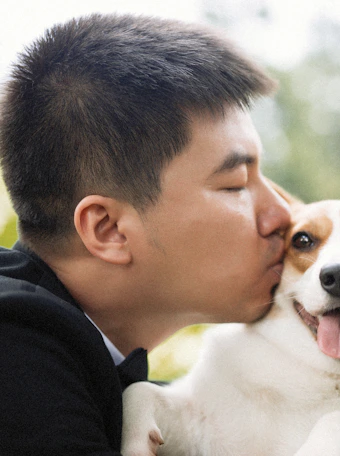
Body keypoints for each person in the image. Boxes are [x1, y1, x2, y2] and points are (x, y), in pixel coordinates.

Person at [0, 13, 290, 455]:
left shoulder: (82, 364)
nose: (282, 214)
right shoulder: (19, 358)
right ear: (109, 229)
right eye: (234, 185)